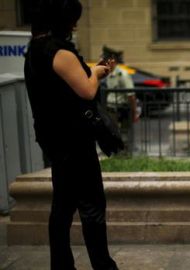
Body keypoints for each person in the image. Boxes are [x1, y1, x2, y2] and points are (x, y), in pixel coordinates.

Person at [24, 0, 118, 269]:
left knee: (62, 208)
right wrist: (97, 73)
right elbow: (87, 91)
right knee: (92, 207)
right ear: (61, 20)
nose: (75, 24)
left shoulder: (35, 50)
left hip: (53, 140)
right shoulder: (59, 52)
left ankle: (61, 265)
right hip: (75, 142)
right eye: (73, 19)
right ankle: (103, 265)